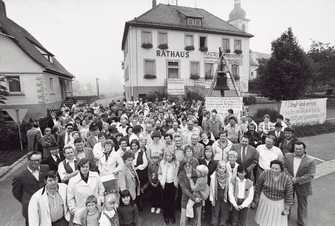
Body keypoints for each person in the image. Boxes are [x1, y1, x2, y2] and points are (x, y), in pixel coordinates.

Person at [12, 151, 49, 226]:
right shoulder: (19, 176)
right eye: (34, 160)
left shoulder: (45, 168)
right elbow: (16, 193)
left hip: (46, 205)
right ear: (28, 161)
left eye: (39, 160)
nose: (37, 162)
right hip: (30, 208)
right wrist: (26, 200)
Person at [283, 141, 316, 226]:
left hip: (303, 185)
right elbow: (284, 167)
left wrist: (296, 180)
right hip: (289, 183)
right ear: (294, 149)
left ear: (304, 149)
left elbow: (311, 175)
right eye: (296, 149)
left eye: (300, 149)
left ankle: (301, 221)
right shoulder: (287, 156)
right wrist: (290, 177)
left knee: (302, 204)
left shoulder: (311, 161)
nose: (298, 150)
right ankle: (285, 219)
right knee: (288, 201)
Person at [253, 160, 294, 226]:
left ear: (281, 169)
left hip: (279, 203)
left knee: (276, 222)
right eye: (272, 168)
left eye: (276, 169)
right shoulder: (265, 173)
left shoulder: (286, 178)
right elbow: (258, 186)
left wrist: (287, 208)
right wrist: (256, 198)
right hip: (265, 200)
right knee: (264, 219)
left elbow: (289, 194)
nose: (274, 170)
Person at [67, 158, 105, 225]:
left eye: (87, 166)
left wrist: (100, 201)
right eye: (83, 167)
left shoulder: (95, 175)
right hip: (81, 211)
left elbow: (101, 190)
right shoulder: (73, 181)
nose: (85, 169)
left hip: (95, 209)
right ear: (79, 168)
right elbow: (70, 198)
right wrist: (73, 210)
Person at [178, 161, 202, 226]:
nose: (188, 167)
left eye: (189, 165)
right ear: (183, 167)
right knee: (184, 218)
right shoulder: (181, 174)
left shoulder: (197, 173)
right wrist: (194, 198)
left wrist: (198, 197)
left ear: (192, 166)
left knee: (197, 219)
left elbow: (201, 185)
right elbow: (184, 189)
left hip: (197, 196)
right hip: (186, 198)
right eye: (186, 166)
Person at [158, 150, 178, 224]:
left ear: (172, 156)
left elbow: (177, 173)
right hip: (165, 184)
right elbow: (159, 173)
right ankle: (166, 215)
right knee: (165, 200)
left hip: (172, 184)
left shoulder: (176, 163)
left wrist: (176, 182)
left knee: (172, 200)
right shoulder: (162, 163)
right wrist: (161, 180)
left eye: (170, 156)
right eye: (167, 156)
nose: (168, 157)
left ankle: (171, 215)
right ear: (165, 156)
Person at [198, 145, 217, 222]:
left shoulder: (215, 163)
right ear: (204, 152)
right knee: (201, 202)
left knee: (209, 202)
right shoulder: (201, 161)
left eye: (210, 152)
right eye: (206, 151)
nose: (208, 153)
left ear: (212, 153)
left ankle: (208, 218)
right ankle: (199, 218)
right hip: (202, 185)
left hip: (210, 185)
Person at [209, 160, 231, 226]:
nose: (221, 170)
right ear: (217, 168)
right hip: (216, 195)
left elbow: (230, 187)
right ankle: (214, 222)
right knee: (215, 209)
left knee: (224, 210)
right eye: (220, 168)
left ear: (226, 168)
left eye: (223, 168)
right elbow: (211, 188)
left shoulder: (228, 176)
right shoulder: (214, 176)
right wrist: (211, 198)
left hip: (225, 195)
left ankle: (223, 222)